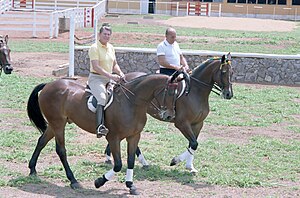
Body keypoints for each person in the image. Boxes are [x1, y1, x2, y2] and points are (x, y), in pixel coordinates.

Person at [88, 24, 125, 138]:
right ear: (99, 34)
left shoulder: (111, 47)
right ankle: (100, 126)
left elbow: (114, 64)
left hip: (109, 78)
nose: (107, 36)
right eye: (105, 34)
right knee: (102, 98)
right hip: (96, 78)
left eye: (109, 35)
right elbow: (96, 67)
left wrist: (120, 73)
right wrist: (111, 76)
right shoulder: (94, 48)